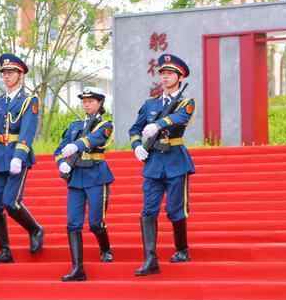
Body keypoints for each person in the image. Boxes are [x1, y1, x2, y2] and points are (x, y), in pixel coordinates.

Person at [128, 54, 196, 277]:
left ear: (180, 77)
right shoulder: (151, 104)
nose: (165, 77)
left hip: (175, 161)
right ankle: (150, 259)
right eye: (163, 74)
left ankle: (182, 249)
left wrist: (158, 124)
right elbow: (134, 130)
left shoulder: (186, 102)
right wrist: (137, 146)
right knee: (148, 210)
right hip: (154, 162)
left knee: (175, 210)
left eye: (170, 74)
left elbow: (180, 118)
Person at [0, 53, 43, 264]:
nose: (6, 76)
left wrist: (19, 155)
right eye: (4, 73)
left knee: (10, 202)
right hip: (0, 156)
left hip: (18, 155)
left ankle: (35, 229)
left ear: (20, 74)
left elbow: (28, 130)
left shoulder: (29, 100)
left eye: (11, 72)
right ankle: (5, 250)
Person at [54, 87, 115, 282]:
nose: (86, 104)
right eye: (84, 101)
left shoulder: (105, 125)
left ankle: (105, 248)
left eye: (91, 101)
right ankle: (77, 268)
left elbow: (96, 139)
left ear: (99, 103)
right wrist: (61, 163)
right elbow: (59, 150)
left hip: (96, 176)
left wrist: (77, 145)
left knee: (96, 222)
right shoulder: (75, 125)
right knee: (73, 223)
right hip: (76, 177)